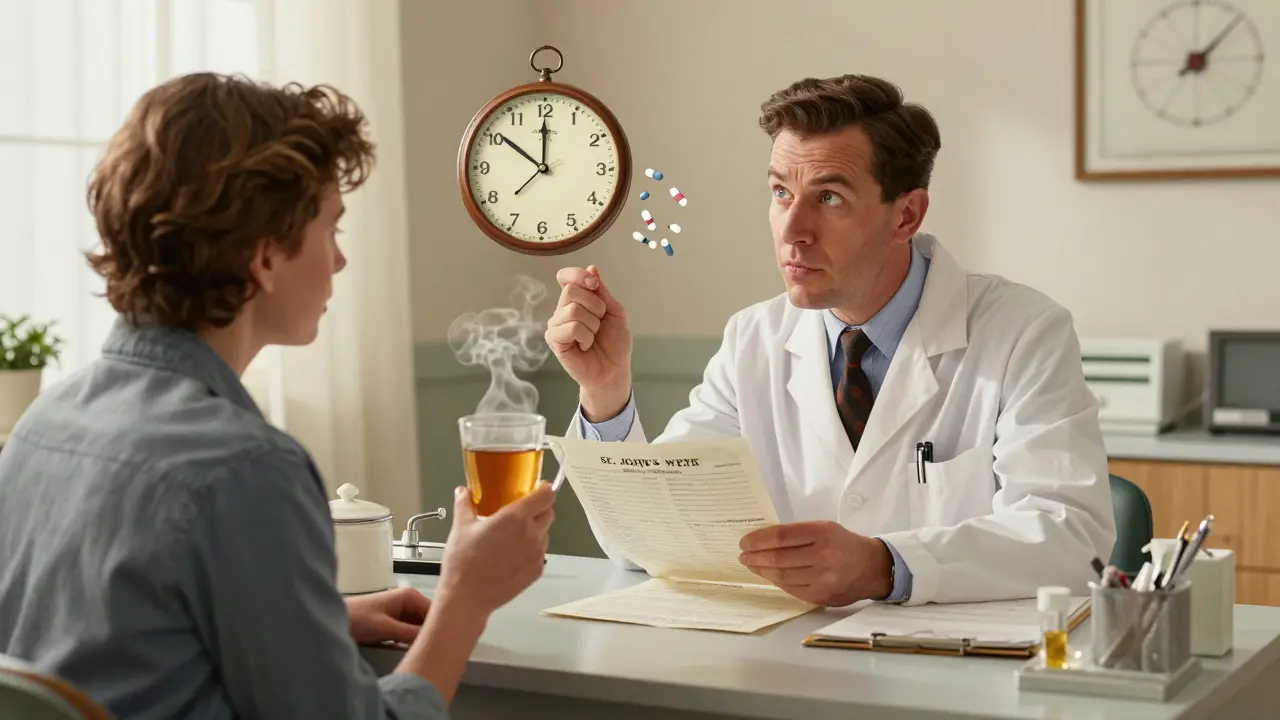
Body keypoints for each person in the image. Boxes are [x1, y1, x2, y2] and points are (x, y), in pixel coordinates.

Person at [0, 73, 555, 719]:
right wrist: (464, 597)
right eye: (331, 230)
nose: (340, 262)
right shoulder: (245, 469)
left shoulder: (45, 423)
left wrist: (310, 622)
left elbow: (113, 647)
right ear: (264, 259)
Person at [545, 74, 1115, 608]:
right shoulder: (754, 339)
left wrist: (885, 566)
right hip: (784, 669)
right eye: (779, 193)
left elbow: (1071, 538)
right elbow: (651, 542)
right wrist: (607, 391)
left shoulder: (1022, 332)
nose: (793, 231)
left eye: (829, 198)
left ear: (906, 215)